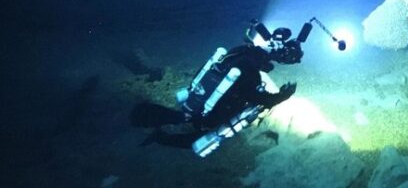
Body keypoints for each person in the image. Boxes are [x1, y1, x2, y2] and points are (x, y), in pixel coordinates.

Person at [130, 20, 306, 156]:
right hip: (213, 113)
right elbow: (258, 98)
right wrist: (283, 95)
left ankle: (151, 118)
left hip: (200, 98)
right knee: (197, 140)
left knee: (185, 117)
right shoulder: (251, 70)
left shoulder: (240, 51)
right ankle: (160, 136)